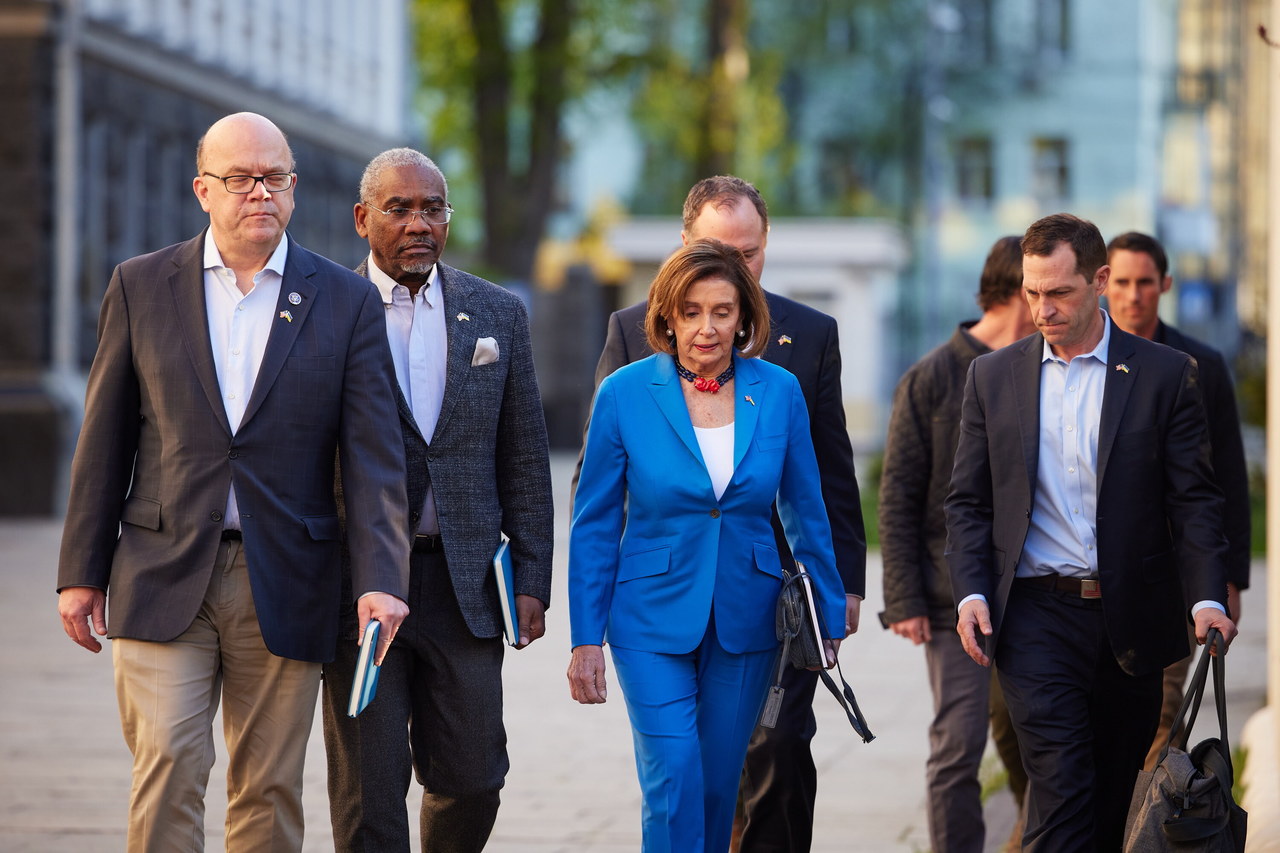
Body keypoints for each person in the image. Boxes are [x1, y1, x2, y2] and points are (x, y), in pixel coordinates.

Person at [55, 112, 411, 852]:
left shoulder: (344, 302)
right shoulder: (142, 285)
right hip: (160, 569)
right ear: (202, 190)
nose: (260, 192)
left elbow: (375, 455)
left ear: (293, 188)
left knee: (268, 787)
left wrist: (381, 576)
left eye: (275, 177)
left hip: (285, 576)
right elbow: (105, 437)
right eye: (241, 178)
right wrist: (79, 572)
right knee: (167, 769)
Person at [583, 175, 867, 853]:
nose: (707, 326)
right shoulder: (625, 391)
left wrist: (831, 604)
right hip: (649, 614)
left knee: (715, 785)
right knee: (674, 776)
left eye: (723, 310)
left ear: (745, 314)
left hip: (747, 613)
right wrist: (583, 634)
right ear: (667, 315)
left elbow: (808, 505)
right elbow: (593, 516)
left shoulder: (781, 392)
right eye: (691, 311)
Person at [945, 212, 1239, 852]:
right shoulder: (993, 379)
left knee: (1111, 801)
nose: (1041, 309)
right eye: (1031, 292)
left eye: (1059, 293)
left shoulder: (1165, 375)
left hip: (1129, 623)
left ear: (1099, 280)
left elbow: (1194, 500)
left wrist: (1208, 597)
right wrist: (970, 593)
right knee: (1059, 788)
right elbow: (967, 502)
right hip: (1033, 618)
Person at [320, 148, 554, 852]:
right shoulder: (325, 312)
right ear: (363, 218)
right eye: (399, 208)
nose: (418, 222)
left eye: (432, 208)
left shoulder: (497, 314)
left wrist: (535, 578)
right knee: (370, 794)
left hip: (467, 587)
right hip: (360, 590)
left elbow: (524, 455)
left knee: (476, 775)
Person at [879, 236, 1034, 853]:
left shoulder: (1043, 369)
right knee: (958, 747)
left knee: (1042, 743)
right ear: (1022, 290)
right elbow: (897, 498)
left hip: (1034, 593)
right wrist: (904, 599)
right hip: (950, 603)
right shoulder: (930, 378)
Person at [1104, 230, 1251, 769]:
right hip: (1091, 577)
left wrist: (1227, 578)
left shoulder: (1201, 364)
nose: (1133, 294)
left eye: (1145, 282)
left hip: (1174, 576)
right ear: (1103, 283)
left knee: (1162, 719)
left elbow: (1227, 480)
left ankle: (1144, 831)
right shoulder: (1079, 360)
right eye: (1122, 281)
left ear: (1164, 284)